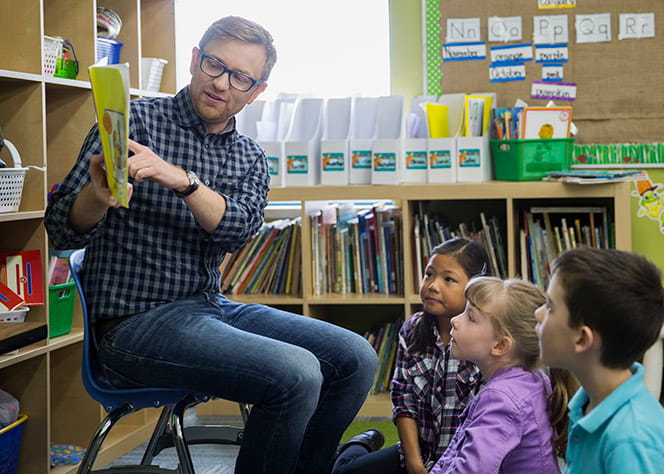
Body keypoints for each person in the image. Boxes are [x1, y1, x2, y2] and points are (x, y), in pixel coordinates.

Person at [45, 16, 377, 474]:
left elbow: (236, 231)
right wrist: (94, 199)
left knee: (356, 358)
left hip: (209, 307)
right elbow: (61, 232)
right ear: (195, 60)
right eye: (215, 65)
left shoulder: (249, 157)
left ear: (257, 90)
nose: (222, 83)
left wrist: (179, 179)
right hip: (131, 326)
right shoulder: (134, 121)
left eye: (240, 77)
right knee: (296, 373)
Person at [333, 238, 489, 474]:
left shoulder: (485, 340)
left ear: (475, 287)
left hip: (465, 463)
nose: (433, 285)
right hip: (418, 453)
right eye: (429, 274)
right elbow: (404, 403)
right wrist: (415, 465)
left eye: (448, 279)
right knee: (343, 472)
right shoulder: (412, 329)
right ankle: (361, 442)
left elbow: (485, 425)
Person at [535, 247, 664, 474]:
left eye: (550, 307)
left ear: (582, 338)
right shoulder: (587, 403)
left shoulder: (633, 440)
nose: (538, 313)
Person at [430, 276, 578, 473]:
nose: (455, 321)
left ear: (500, 345)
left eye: (471, 317)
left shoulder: (502, 398)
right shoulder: (532, 378)